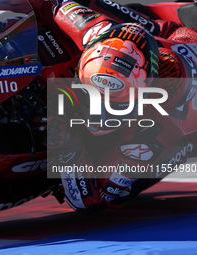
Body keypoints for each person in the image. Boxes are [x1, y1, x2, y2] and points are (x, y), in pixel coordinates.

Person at [28, 0, 197, 213]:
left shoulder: (155, 133)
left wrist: (69, 151)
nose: (96, 108)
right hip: (168, 36)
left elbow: (90, 200)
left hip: (180, 129)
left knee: (118, 194)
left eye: (114, 103)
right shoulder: (95, 29)